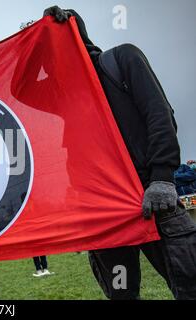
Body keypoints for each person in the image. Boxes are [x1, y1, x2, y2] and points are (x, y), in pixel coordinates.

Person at [40, 6, 196, 300]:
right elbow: (19, 89)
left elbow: (160, 116)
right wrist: (32, 42)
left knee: (189, 283)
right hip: (104, 209)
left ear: (77, 35)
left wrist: (162, 178)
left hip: (152, 195)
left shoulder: (122, 59)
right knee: (122, 293)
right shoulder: (63, 95)